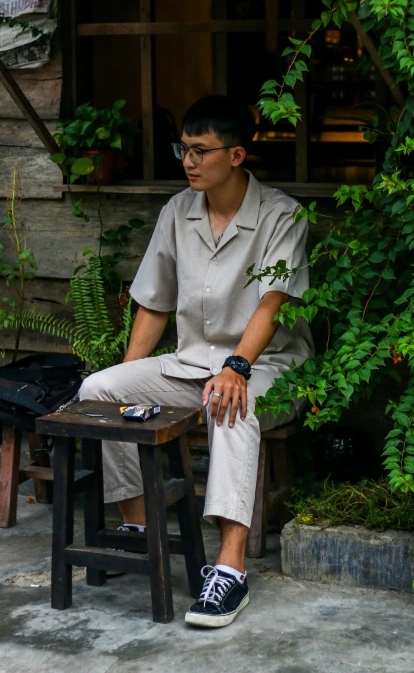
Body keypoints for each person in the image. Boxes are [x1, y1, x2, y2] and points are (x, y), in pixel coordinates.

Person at [79, 95, 314, 628]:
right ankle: (141, 530)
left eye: (200, 151)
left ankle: (228, 571)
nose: (187, 160)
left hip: (267, 366)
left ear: (236, 156)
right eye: (183, 148)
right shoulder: (176, 212)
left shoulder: (281, 215)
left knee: (231, 403)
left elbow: (273, 303)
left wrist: (237, 367)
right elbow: (154, 302)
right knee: (99, 389)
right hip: (190, 365)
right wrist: (126, 387)